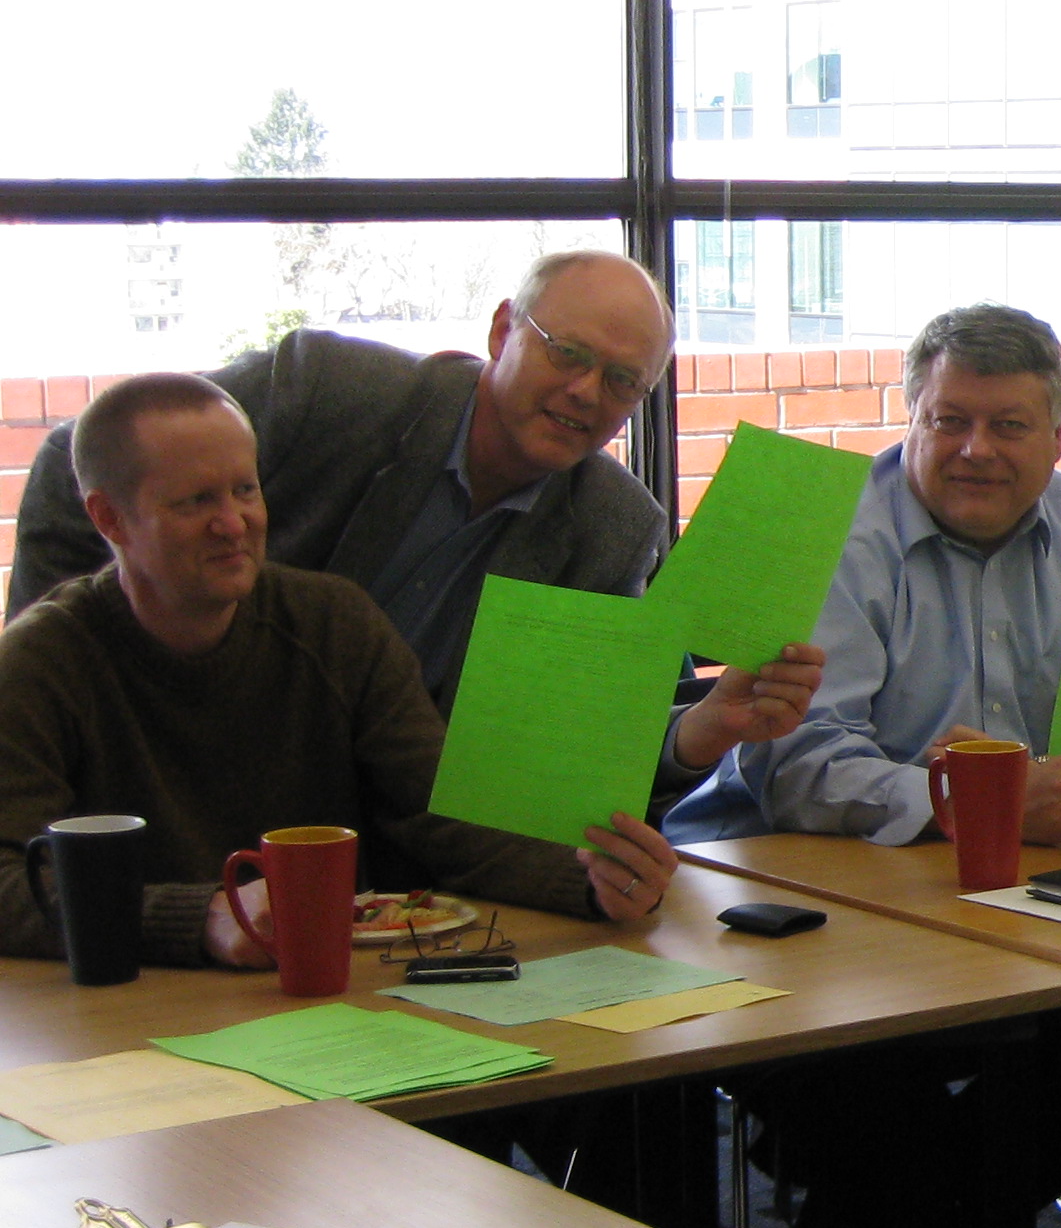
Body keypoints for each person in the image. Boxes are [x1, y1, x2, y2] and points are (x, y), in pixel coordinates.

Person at [666, 305, 1061, 1228]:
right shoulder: (828, 533)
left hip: (1019, 884)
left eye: (1009, 426)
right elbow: (798, 765)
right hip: (788, 881)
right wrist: (973, 794)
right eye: (947, 420)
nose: (976, 450)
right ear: (908, 418)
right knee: (867, 1060)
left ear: (1058, 435)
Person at [7, 246, 818, 787]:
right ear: (503, 329)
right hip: (177, 774)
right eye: (566, 353)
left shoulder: (610, 531)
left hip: (387, 848)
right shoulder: (328, 393)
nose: (584, 393)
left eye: (620, 383)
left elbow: (551, 762)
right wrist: (90, 681)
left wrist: (696, 734)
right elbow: (69, 465)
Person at [0, 373, 678, 968]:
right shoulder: (42, 662)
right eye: (195, 502)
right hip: (121, 1021)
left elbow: (440, 813)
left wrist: (589, 878)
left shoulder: (333, 623)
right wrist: (199, 918)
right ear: (109, 518)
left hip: (330, 1000)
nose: (233, 523)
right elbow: (7, 885)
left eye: (245, 490)